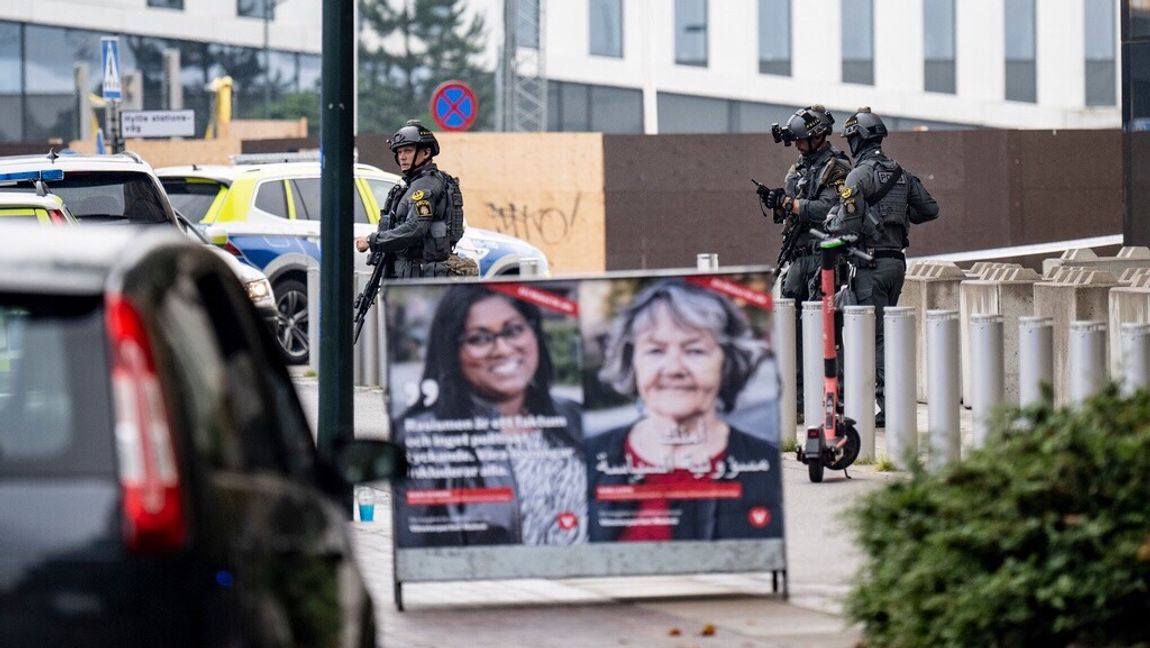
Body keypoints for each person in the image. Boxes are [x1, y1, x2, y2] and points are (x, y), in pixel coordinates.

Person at [587, 279, 783, 542]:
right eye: (655, 350)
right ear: (632, 360)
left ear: (726, 361)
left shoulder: (766, 465)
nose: (674, 368)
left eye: (695, 350)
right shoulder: (586, 460)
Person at [394, 284, 587, 547]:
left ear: (533, 332)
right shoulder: (422, 435)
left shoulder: (573, 414)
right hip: (494, 587)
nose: (503, 349)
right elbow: (415, 549)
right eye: (479, 338)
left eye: (514, 330)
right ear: (452, 350)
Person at [826, 107, 939, 427]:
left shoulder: (858, 176)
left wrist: (834, 218)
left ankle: (887, 405)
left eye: (850, 139)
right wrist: (899, 215)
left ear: (858, 140)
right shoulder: (900, 172)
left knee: (874, 338)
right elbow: (929, 209)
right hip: (896, 264)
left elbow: (843, 225)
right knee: (886, 333)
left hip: (869, 264)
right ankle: (888, 399)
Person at [762, 105, 852, 411]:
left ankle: (830, 395)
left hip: (824, 259)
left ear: (818, 136)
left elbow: (830, 208)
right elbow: (789, 209)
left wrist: (792, 203)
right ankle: (797, 397)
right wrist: (777, 203)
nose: (798, 146)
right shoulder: (798, 169)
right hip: (798, 259)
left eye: (802, 140)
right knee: (792, 331)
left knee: (826, 329)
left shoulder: (837, 167)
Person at [355, 120, 471, 278]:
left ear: (425, 153)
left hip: (418, 277)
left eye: (408, 151)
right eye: (399, 152)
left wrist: (372, 241)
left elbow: (415, 227)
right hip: (412, 275)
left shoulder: (425, 186)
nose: (402, 157)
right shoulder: (416, 183)